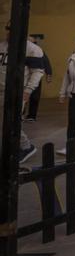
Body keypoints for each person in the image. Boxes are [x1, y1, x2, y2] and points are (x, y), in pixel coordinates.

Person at [0, 23, 45, 162]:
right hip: (1, 89)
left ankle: (26, 147)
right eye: (8, 29)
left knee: (11, 121)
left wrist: (28, 90)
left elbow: (37, 72)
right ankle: (11, 147)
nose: (9, 33)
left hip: (15, 92)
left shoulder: (32, 49)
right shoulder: (2, 45)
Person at [24, 34, 51, 124]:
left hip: (35, 76)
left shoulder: (37, 50)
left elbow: (46, 62)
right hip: (25, 77)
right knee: (23, 97)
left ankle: (32, 115)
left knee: (34, 96)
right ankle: (22, 113)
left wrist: (49, 74)